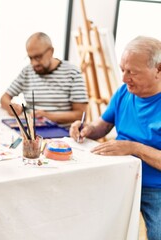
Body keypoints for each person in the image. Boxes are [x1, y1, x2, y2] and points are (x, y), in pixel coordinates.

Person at [69, 36, 161, 240]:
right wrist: (86, 128)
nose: (124, 78)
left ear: (159, 69)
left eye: (132, 72)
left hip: (155, 188)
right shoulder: (124, 92)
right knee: (92, 224)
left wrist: (134, 148)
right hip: (118, 176)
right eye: (123, 70)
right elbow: (101, 126)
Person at [0, 32, 88, 126]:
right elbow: (4, 98)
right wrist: (11, 107)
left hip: (62, 134)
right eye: (30, 58)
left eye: (38, 57)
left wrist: (47, 116)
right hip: (31, 131)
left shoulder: (72, 72)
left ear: (51, 51)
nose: (34, 63)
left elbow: (81, 115)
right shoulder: (27, 71)